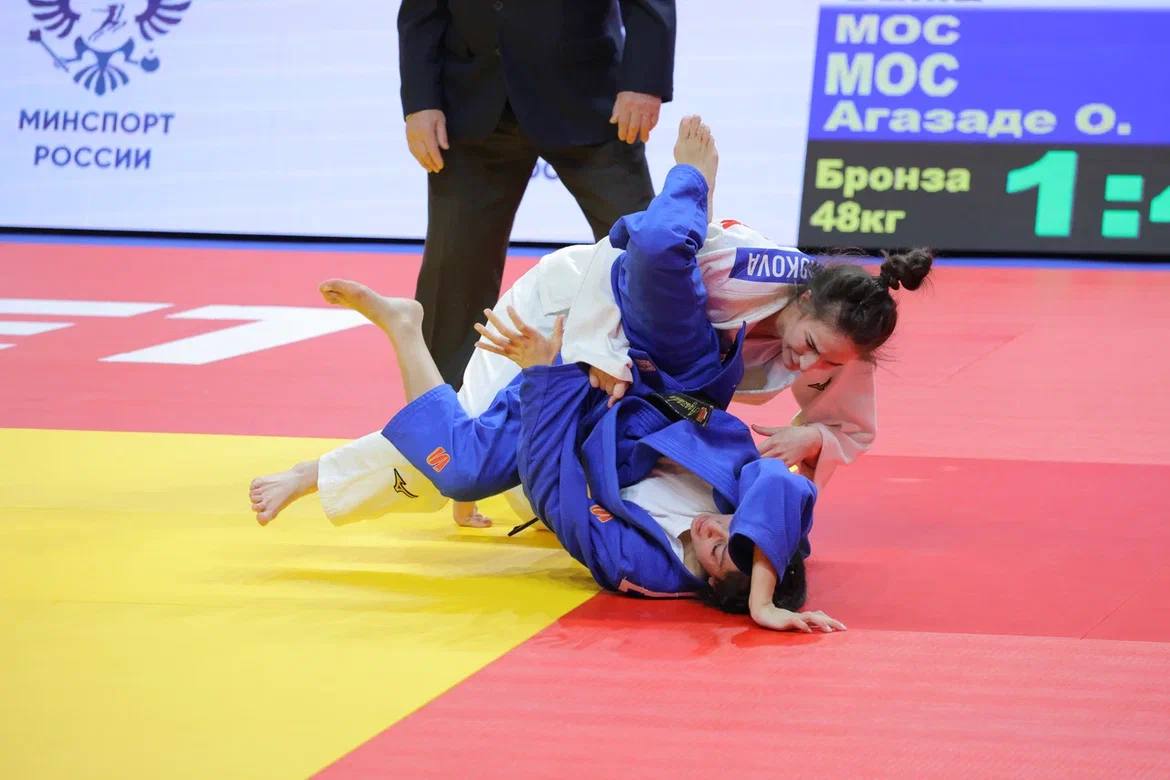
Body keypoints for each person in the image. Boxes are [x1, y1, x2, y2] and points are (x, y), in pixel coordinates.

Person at [263, 117, 932, 530]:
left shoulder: (844, 338)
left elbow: (846, 429)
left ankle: (467, 475)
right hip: (571, 302)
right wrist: (597, 350)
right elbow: (626, 257)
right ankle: (318, 467)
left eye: (827, 363)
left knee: (512, 454)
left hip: (630, 361)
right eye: (809, 346)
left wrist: (810, 433)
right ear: (802, 298)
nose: (809, 367)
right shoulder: (739, 266)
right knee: (467, 446)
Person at [398, 0, 675, 386]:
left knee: (644, 253)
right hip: (472, 98)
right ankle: (443, 404)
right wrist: (420, 100)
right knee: (454, 270)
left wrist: (644, 80)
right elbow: (421, 9)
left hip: (588, 94)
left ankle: (663, 393)